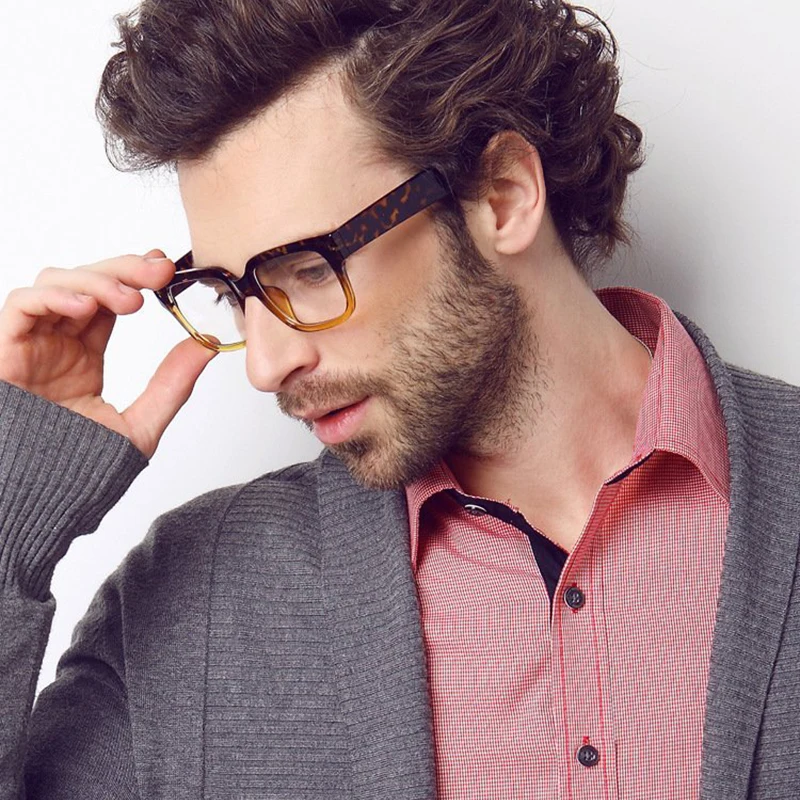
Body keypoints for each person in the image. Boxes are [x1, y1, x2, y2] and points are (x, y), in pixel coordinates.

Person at [0, 0, 797, 797]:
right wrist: (13, 506)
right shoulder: (194, 602)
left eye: (310, 270)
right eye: (232, 295)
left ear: (503, 194)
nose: (266, 366)